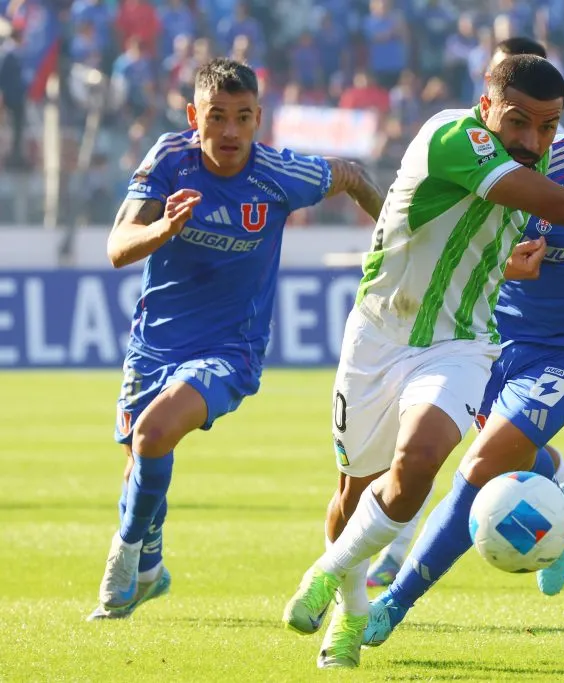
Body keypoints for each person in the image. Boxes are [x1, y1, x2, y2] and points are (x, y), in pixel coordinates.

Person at [281, 55, 564, 669]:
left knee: (478, 460)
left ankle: (391, 604)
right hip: (494, 331)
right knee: (391, 479)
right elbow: (525, 212)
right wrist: (513, 262)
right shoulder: (534, 158)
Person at [87, 58, 383, 621]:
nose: (229, 131)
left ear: (258, 120)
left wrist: (401, 238)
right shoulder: (170, 159)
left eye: (242, 118)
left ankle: (121, 562)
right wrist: (163, 229)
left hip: (229, 351)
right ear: (193, 116)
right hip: (154, 345)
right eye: (217, 117)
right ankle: (150, 565)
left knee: (152, 435)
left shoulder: (279, 174)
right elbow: (118, 246)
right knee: (141, 466)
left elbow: (347, 174)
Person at [365, 36, 564, 589]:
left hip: (482, 329)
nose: (528, 136)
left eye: (542, 123)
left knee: (459, 440)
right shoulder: (462, 140)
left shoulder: (547, 152)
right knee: (477, 434)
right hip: (444, 319)